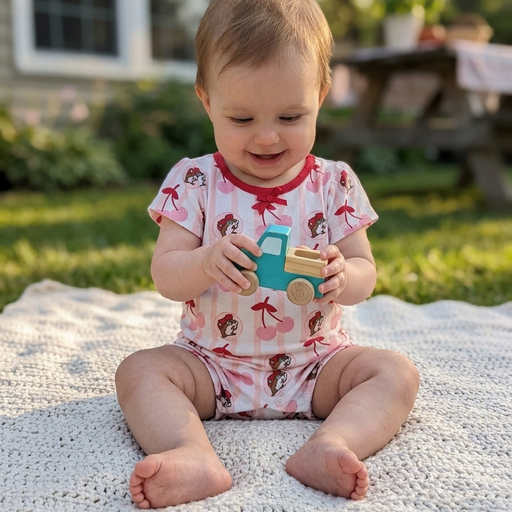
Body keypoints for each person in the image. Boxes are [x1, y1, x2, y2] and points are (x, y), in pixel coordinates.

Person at [115, 0, 420, 508]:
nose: (266, 135)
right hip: (210, 364)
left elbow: (366, 272)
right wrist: (205, 259)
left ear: (321, 97)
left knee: (396, 373)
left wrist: (344, 275)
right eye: (240, 117)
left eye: (290, 115)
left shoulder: (334, 182)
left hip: (316, 365)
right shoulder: (194, 181)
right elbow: (166, 275)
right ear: (206, 99)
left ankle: (332, 442)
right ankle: (190, 451)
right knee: (139, 372)